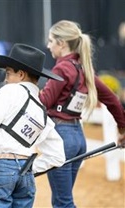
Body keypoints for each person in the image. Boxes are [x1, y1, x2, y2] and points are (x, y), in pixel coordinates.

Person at [0, 43, 66, 207]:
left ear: (21, 74)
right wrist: (28, 169)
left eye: (9, 73)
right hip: (25, 175)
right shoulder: (41, 111)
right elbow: (57, 156)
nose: (5, 79)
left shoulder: (10, 91)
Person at [39, 20, 125, 208]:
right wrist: (122, 128)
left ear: (61, 43)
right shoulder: (83, 69)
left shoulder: (61, 68)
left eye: (51, 40)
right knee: (63, 199)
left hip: (61, 139)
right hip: (78, 139)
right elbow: (113, 100)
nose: (48, 45)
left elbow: (44, 102)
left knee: (63, 202)